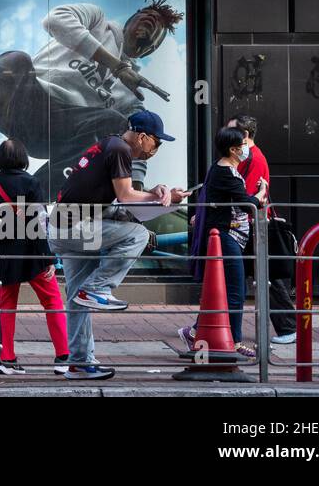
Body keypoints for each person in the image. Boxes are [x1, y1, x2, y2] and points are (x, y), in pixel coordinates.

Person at [0, 0, 184, 191]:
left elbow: (135, 145)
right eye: (147, 13)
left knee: (114, 123)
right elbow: (54, 20)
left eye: (158, 28)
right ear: (131, 18)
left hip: (61, 129)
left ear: (152, 49)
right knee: (16, 60)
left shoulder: (133, 96)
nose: (152, 19)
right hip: (26, 100)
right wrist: (116, 65)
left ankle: (33, 193)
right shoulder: (97, 22)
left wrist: (136, 193)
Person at [47, 110, 186, 380]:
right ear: (143, 137)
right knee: (138, 235)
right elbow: (125, 195)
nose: (156, 150)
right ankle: (98, 288)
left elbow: (120, 198)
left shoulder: (111, 145)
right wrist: (158, 198)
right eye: (157, 143)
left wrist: (156, 192)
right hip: (75, 228)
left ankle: (79, 363)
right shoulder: (120, 149)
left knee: (77, 298)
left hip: (65, 227)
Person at [180, 125, 268, 358]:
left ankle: (195, 331)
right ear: (232, 149)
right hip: (226, 236)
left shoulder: (222, 169)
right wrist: (261, 194)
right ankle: (236, 342)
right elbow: (245, 202)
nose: (246, 149)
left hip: (229, 236)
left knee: (221, 289)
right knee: (235, 291)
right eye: (243, 145)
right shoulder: (225, 172)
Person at [0, 138, 67, 376]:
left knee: (6, 306)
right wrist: (48, 258)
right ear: (23, 158)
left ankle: (7, 359)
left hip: (7, 252)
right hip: (34, 252)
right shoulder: (31, 182)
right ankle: (63, 357)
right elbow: (39, 223)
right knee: (53, 301)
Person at [228, 115, 296, 345]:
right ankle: (288, 326)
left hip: (250, 226)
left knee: (264, 276)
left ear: (244, 135)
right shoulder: (249, 157)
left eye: (231, 132)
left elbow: (246, 197)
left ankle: (288, 326)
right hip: (248, 224)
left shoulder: (255, 159)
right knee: (263, 276)